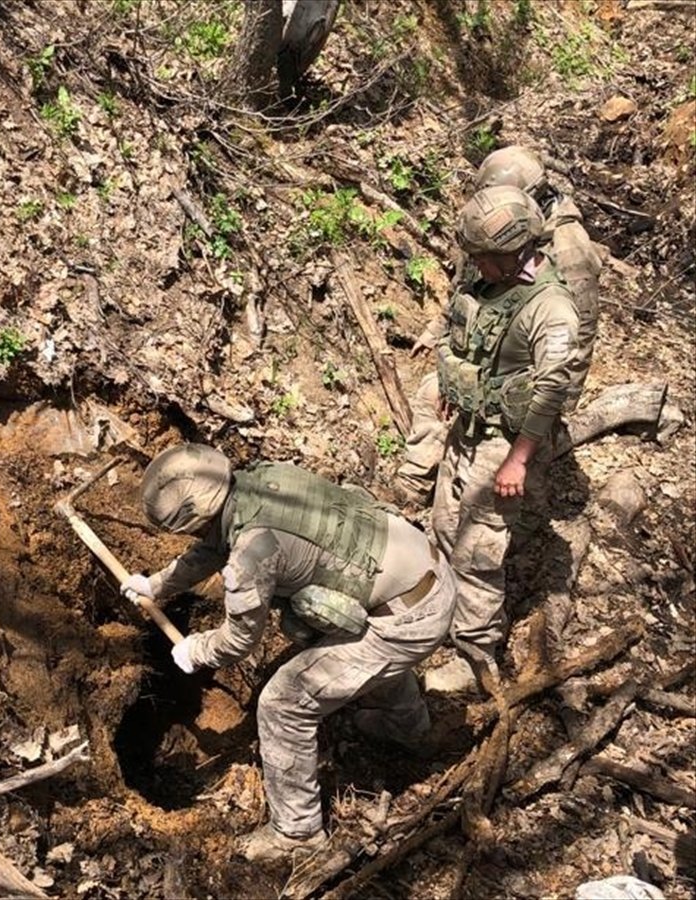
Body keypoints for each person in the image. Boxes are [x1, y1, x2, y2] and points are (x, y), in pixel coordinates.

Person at [120, 444, 457, 863]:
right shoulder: (262, 482)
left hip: (408, 621)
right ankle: (407, 728)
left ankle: (297, 834)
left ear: (194, 519)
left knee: (283, 704)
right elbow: (213, 546)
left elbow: (239, 641)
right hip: (424, 576)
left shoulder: (251, 556)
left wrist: (197, 651)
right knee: (352, 648)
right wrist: (156, 585)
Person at [427, 185, 582, 690]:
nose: (477, 265)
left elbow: (552, 389)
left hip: (503, 442)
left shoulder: (550, 307)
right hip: (468, 428)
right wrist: (454, 384)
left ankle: (475, 654)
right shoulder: (490, 279)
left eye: (485, 257)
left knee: (478, 551)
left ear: (517, 250)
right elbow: (466, 335)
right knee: (444, 526)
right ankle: (436, 616)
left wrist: (517, 459)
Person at [396, 145, 602, 504]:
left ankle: (520, 505)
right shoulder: (489, 229)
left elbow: (578, 333)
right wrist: (439, 333)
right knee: (432, 390)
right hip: (485, 353)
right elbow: (467, 290)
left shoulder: (569, 251)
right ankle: (417, 481)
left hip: (524, 371)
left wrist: (557, 404)